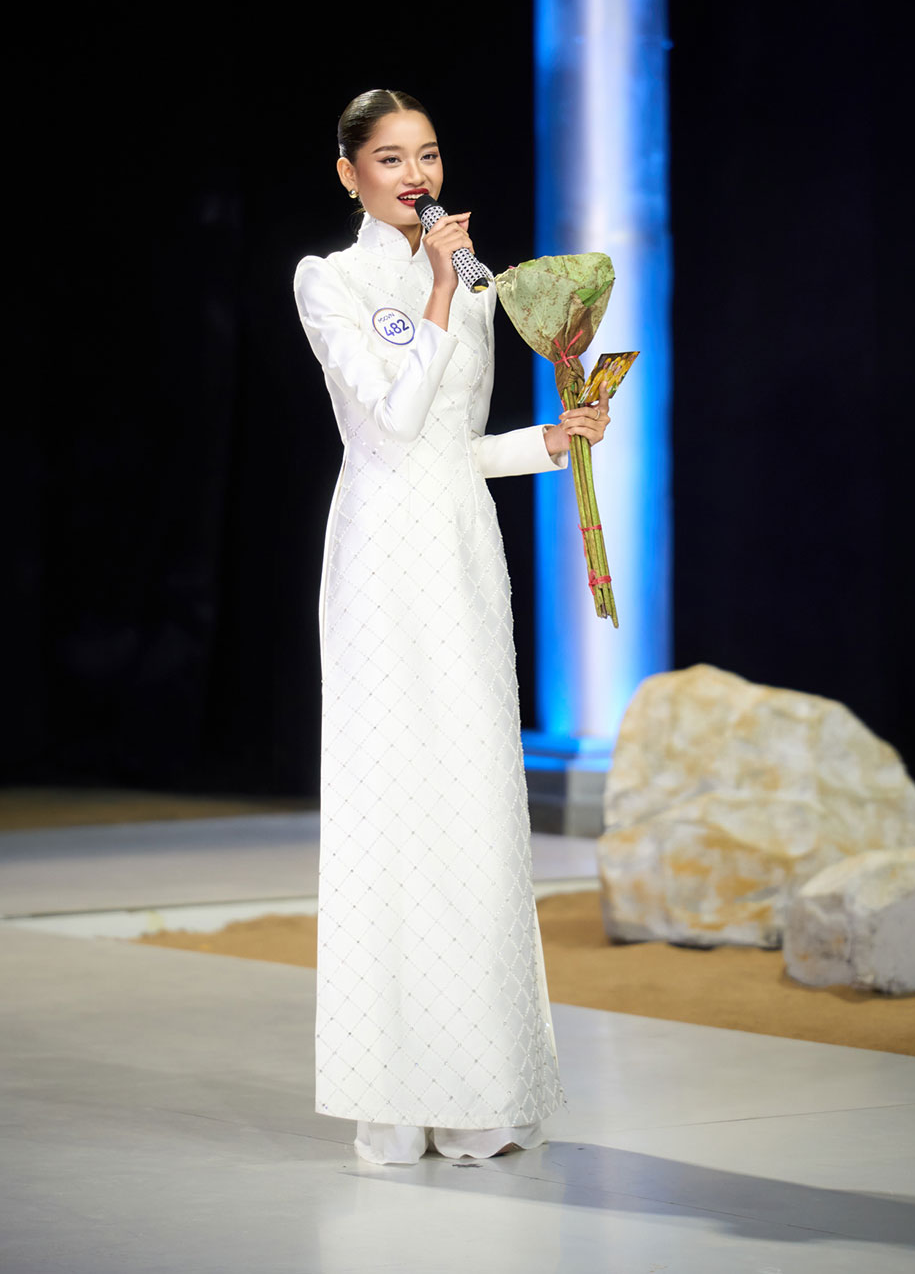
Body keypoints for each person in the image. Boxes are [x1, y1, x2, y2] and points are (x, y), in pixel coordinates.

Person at [293, 88, 611, 1166]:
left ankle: (480, 1092)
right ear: (350, 173)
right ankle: (390, 1098)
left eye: (426, 154)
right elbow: (389, 424)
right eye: (390, 158)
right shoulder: (330, 280)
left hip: (460, 550)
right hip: (381, 556)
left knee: (473, 806)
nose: (415, 174)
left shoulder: (474, 280)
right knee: (391, 806)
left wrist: (551, 440)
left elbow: (454, 446)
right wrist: (437, 285)